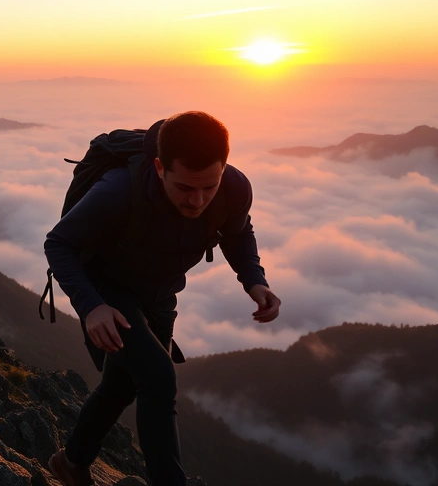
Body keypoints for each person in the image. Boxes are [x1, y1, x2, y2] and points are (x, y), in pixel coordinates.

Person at [44, 111, 281, 486]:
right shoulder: (119, 191)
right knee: (157, 377)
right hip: (107, 287)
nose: (198, 200)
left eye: (209, 186)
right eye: (185, 187)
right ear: (159, 167)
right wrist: (91, 306)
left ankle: (70, 463)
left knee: (121, 385)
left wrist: (255, 281)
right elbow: (58, 243)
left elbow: (237, 232)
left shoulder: (234, 188)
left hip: (159, 294)